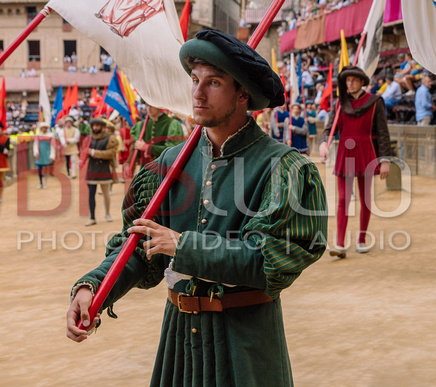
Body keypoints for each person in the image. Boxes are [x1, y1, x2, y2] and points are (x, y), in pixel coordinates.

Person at [66, 30, 327, 386]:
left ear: (242, 94)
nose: (198, 93)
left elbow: (272, 263)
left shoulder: (283, 167)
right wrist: (94, 287)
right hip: (179, 339)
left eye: (214, 82)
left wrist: (185, 246)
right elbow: (140, 248)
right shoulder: (168, 165)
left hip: (244, 343)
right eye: (195, 80)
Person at [319, 66, 391, 258]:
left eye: (353, 80)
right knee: (343, 199)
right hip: (345, 153)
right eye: (347, 80)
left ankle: (361, 240)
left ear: (361, 82)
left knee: (365, 198)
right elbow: (329, 130)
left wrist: (385, 160)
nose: (349, 84)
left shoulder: (375, 102)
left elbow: (383, 133)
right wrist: (323, 144)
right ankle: (340, 244)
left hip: (366, 152)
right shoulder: (339, 104)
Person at [82, 118, 118, 226]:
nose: (95, 128)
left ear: (102, 127)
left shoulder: (110, 137)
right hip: (92, 168)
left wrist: (93, 152)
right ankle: (92, 217)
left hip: (104, 168)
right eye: (94, 125)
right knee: (91, 193)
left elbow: (111, 153)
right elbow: (84, 151)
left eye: (97, 126)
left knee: (106, 193)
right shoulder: (89, 138)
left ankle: (107, 213)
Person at [33, 122, 55, 188]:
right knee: (39, 169)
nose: (44, 129)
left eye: (45, 128)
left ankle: (45, 183)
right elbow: (35, 145)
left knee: (45, 169)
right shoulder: (38, 136)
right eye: (43, 128)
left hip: (47, 153)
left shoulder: (51, 135)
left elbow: (53, 146)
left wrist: (52, 156)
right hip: (40, 154)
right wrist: (36, 153)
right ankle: (40, 183)